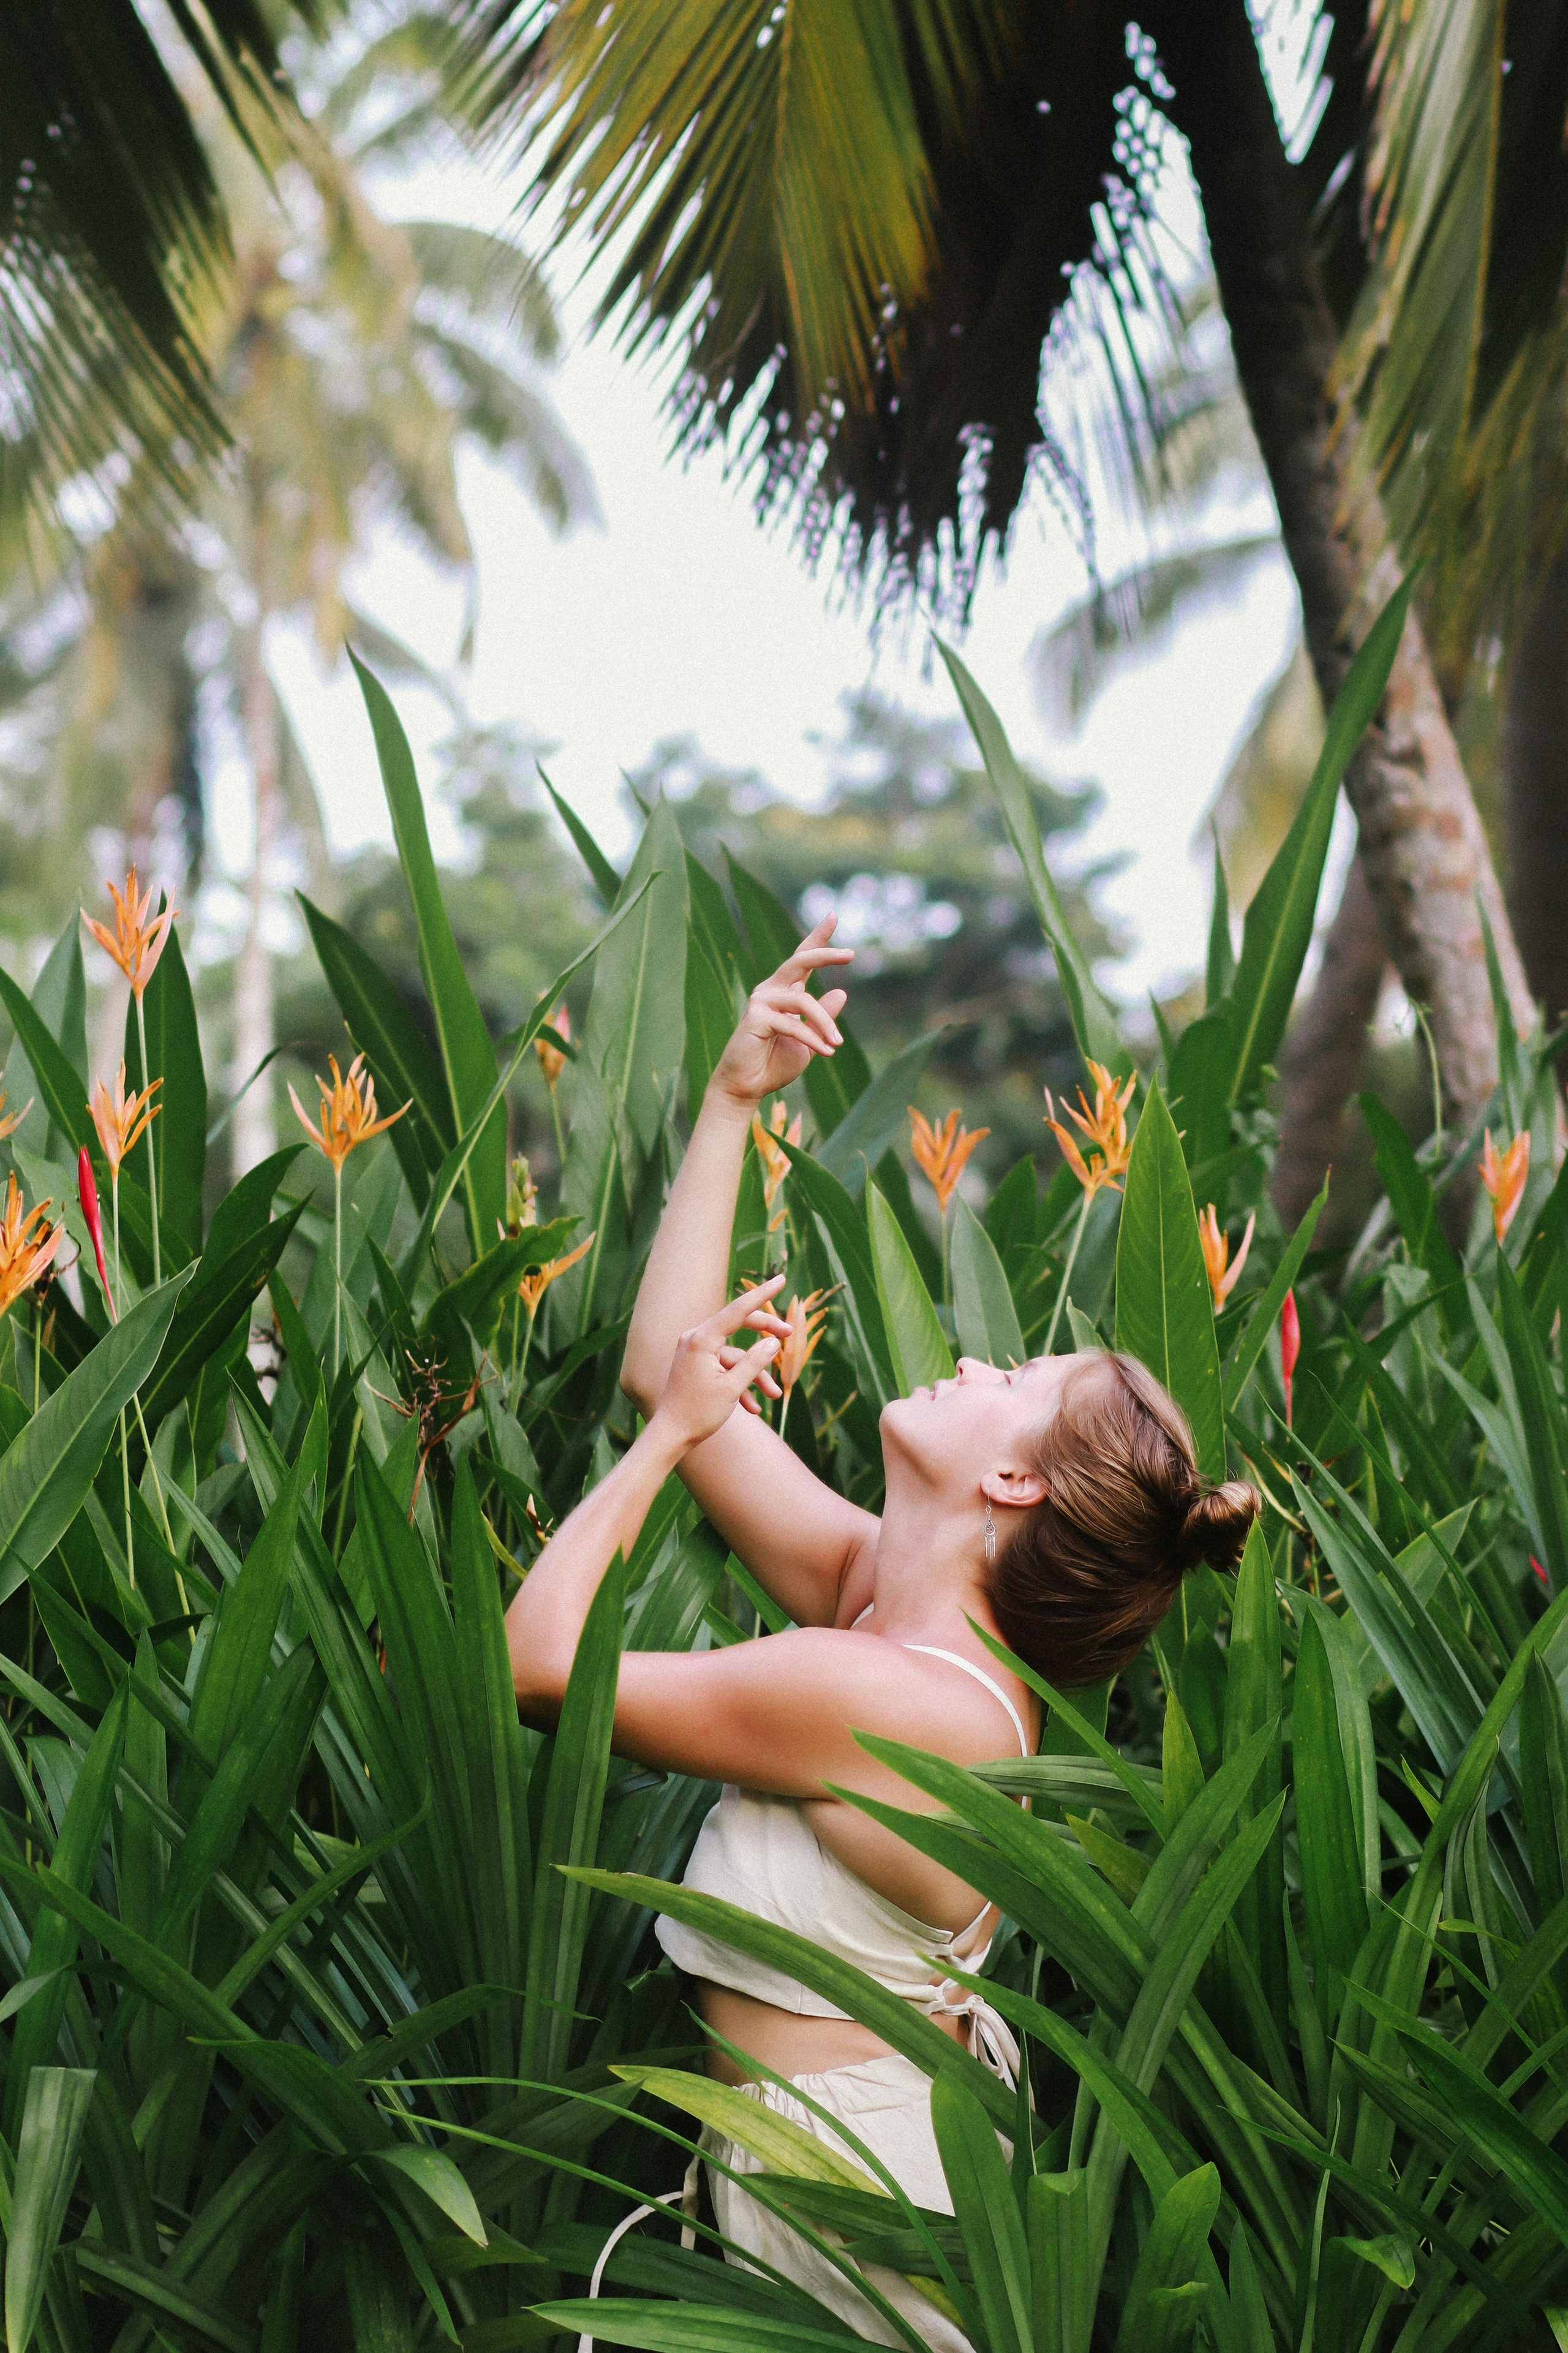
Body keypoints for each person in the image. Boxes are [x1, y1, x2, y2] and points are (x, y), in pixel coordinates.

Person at [505, 916, 1259, 2348]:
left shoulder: (883, 1695)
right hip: (803, 2191)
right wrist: (735, 1101)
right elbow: (660, 1362)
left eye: (1015, 1374)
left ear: (1011, 1479)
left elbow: (537, 1665)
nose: (977, 1354)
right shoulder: (885, 1608)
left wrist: (667, 1441)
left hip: (853, 2221)